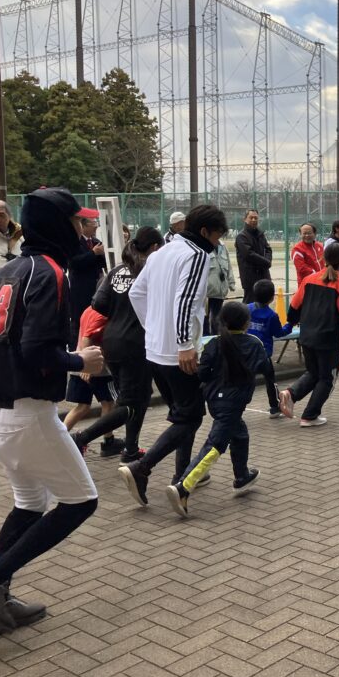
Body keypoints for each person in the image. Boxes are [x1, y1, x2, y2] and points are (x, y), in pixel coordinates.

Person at [0, 188, 103, 637]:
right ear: (58, 225)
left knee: (30, 503)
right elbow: (36, 349)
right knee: (81, 501)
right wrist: (80, 360)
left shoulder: (7, 270)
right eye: (76, 221)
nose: (81, 230)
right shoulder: (48, 271)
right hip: (26, 415)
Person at [119, 205, 227, 507]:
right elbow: (186, 301)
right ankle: (142, 468)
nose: (218, 243)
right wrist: (183, 343)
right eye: (217, 236)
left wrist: (153, 328)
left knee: (183, 415)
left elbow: (136, 293)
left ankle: (182, 476)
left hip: (154, 350)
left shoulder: (160, 253)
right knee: (190, 417)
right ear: (204, 232)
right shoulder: (197, 255)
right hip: (177, 353)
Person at [165, 302, 267, 518]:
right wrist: (275, 401)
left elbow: (202, 373)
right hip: (233, 403)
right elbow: (265, 369)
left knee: (240, 434)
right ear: (247, 323)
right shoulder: (253, 344)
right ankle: (183, 486)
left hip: (214, 401)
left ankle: (242, 476)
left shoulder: (213, 344)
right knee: (215, 446)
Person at [71, 226, 164, 462]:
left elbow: (98, 304)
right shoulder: (151, 271)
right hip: (137, 343)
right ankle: (82, 437)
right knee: (130, 403)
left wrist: (119, 312)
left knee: (138, 398)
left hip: (112, 341)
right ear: (155, 248)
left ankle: (130, 449)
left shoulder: (117, 271)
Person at [279, 244, 339, 426]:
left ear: (323, 258)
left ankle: (290, 394)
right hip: (328, 340)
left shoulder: (309, 280)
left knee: (314, 372)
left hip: (307, 336)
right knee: (327, 378)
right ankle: (310, 415)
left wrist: (291, 322)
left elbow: (294, 306)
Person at [63, 208, 113, 450]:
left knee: (95, 403)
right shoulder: (76, 244)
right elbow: (74, 264)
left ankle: (107, 440)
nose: (96, 225)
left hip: (88, 358)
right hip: (90, 358)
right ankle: (73, 440)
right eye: (92, 222)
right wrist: (83, 359)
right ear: (81, 225)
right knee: (101, 402)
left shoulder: (96, 242)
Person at [247, 279, 290, 417]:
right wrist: (290, 325)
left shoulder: (246, 309)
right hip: (263, 355)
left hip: (246, 353)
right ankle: (274, 408)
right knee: (270, 381)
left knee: (245, 381)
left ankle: (236, 406)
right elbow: (279, 333)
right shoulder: (272, 316)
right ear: (272, 298)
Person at [235, 209, 272, 303]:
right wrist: (266, 262)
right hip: (250, 277)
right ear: (245, 219)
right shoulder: (242, 236)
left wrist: (268, 260)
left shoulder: (260, 234)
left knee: (264, 301)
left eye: (256, 218)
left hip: (263, 274)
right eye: (251, 218)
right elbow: (249, 254)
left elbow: (268, 249)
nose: (254, 220)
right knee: (250, 302)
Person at [204, 240, 236, 334]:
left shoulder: (222, 246)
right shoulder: (202, 246)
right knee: (204, 317)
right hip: (206, 292)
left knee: (217, 318)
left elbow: (229, 265)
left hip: (220, 290)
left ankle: (216, 337)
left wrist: (231, 282)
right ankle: (205, 338)